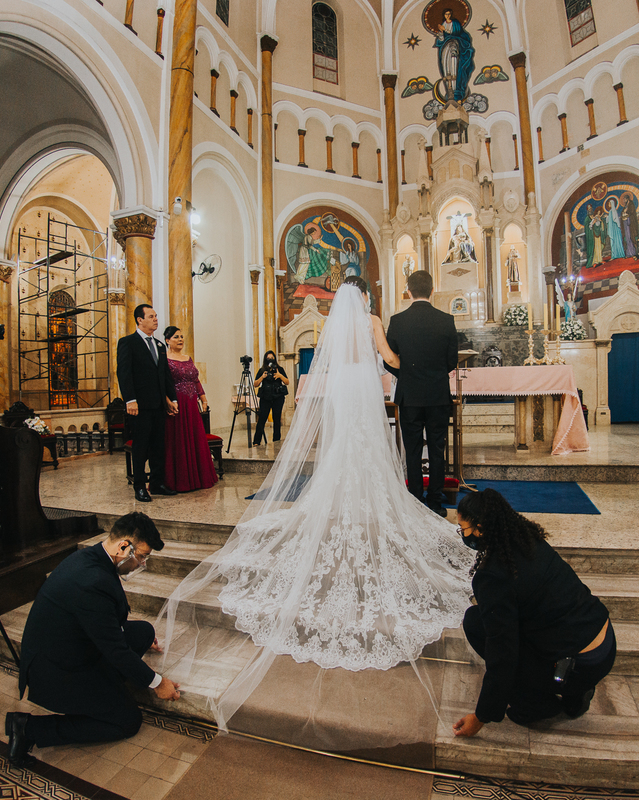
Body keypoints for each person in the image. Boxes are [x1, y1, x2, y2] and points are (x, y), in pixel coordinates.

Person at [157, 275, 475, 745]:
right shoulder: (369, 320)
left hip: (343, 390)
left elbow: (335, 362)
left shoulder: (329, 325)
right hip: (367, 387)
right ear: (364, 296)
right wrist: (406, 364)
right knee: (373, 448)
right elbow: (389, 359)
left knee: (344, 448)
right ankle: (387, 500)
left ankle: (341, 496)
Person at [6, 513, 181, 765]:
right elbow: (116, 650)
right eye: (141, 556)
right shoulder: (91, 581)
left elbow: (105, 623)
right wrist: (157, 682)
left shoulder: (93, 558)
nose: (142, 564)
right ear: (124, 547)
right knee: (127, 721)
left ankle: (108, 685)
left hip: (76, 645)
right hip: (59, 669)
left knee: (143, 631)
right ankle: (27, 728)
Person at [451, 489, 616, 738]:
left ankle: (540, 704)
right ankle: (575, 692)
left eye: (462, 528)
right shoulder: (528, 538)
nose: (462, 534)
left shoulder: (493, 576)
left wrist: (481, 716)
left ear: (481, 529)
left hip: (576, 665)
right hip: (604, 643)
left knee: (476, 623)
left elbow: (502, 654)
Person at [386, 270, 460, 517]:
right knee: (437, 449)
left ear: (408, 291)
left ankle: (416, 499)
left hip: (409, 396)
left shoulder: (397, 321)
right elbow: (451, 361)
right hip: (438, 395)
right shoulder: (446, 320)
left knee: (413, 449)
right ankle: (436, 502)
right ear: (432, 291)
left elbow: (389, 361)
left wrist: (408, 375)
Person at [116, 304, 179, 502]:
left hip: (159, 405)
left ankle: (157, 483)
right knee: (141, 447)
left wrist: (172, 399)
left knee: (158, 446)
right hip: (139, 406)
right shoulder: (128, 342)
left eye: (156, 316)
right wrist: (130, 400)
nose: (156, 319)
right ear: (139, 320)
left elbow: (165, 375)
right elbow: (124, 373)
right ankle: (140, 486)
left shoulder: (160, 346)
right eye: (151, 316)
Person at [161, 326, 218, 492]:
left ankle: (199, 478)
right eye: (176, 337)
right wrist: (167, 402)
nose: (180, 340)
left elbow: (196, 380)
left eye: (181, 337)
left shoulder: (188, 358)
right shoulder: (164, 358)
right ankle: (181, 480)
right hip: (176, 403)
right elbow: (163, 383)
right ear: (167, 340)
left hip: (192, 403)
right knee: (177, 439)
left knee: (195, 437)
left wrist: (204, 398)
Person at [252, 349, 289, 447]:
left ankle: (276, 440)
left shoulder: (279, 369)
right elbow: (255, 384)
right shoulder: (262, 370)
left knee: (277, 419)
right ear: (265, 359)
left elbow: (287, 382)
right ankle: (256, 441)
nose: (270, 360)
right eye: (268, 358)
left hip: (278, 397)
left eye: (272, 358)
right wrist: (262, 377)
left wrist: (280, 375)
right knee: (262, 419)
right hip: (266, 397)